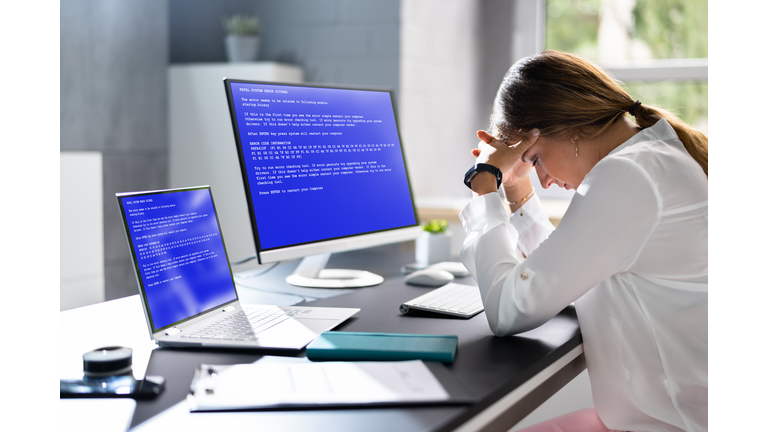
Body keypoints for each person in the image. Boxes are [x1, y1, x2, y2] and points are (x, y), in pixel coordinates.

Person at [460, 50, 707, 432]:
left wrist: (484, 184)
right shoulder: (649, 158)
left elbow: (509, 309)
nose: (543, 180)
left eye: (536, 158)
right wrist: (517, 187)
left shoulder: (628, 175)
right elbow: (570, 269)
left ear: (569, 131)